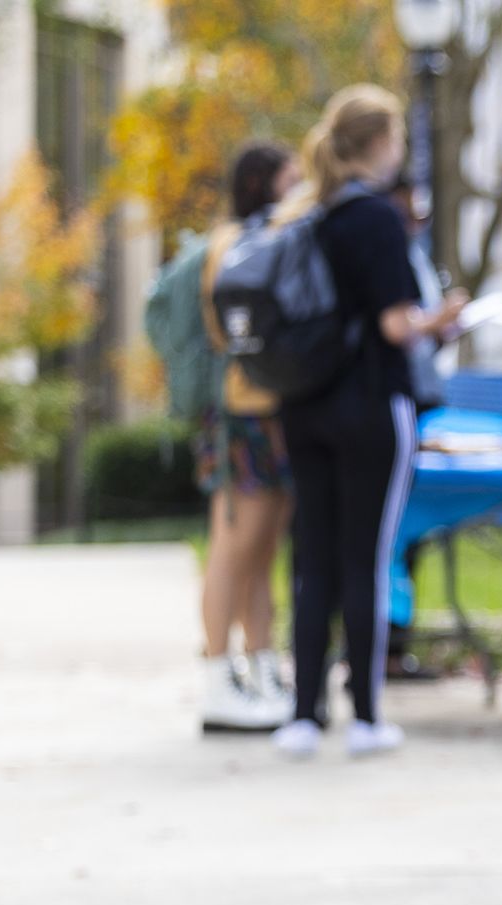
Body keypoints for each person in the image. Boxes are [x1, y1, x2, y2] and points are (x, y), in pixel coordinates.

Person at [267, 85, 469, 760]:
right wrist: (442, 321)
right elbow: (394, 323)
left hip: (303, 404)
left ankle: (302, 715)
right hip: (368, 404)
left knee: (312, 559)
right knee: (367, 558)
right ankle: (367, 717)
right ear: (379, 144)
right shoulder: (378, 221)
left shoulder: (306, 217)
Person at [191, 142, 301, 733]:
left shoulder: (254, 238)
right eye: (290, 176)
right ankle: (216, 676)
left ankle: (261, 668)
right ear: (262, 181)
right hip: (244, 412)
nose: (299, 185)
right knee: (233, 549)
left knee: (261, 553)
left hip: (272, 410)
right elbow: (223, 330)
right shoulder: (234, 244)